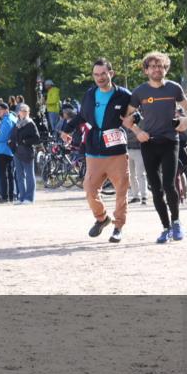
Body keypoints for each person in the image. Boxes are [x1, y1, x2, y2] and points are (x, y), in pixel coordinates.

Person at [122, 52, 187, 243]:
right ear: (146, 70)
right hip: (149, 143)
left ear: (166, 69)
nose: (157, 69)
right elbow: (126, 118)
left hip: (170, 141)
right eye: (153, 66)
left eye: (160, 66)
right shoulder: (139, 92)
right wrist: (137, 131)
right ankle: (166, 228)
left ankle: (176, 222)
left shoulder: (174, 88)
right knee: (156, 188)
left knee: (169, 185)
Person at [60, 59, 133, 241]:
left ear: (111, 73)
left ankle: (118, 227)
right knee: (90, 190)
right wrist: (66, 130)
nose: (100, 78)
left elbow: (136, 114)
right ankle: (102, 218)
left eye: (103, 74)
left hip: (116, 152)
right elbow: (82, 116)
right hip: (94, 150)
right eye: (96, 75)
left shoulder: (124, 95)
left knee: (121, 191)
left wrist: (136, 121)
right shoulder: (90, 94)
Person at [11, 103, 41, 205]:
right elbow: (13, 136)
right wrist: (12, 146)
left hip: (27, 152)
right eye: (21, 111)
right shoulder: (17, 123)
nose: (23, 113)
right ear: (18, 112)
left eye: (25, 111)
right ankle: (22, 197)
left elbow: (37, 138)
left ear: (28, 112)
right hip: (17, 152)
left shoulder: (30, 123)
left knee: (29, 175)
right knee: (19, 176)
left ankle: (30, 198)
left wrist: (25, 142)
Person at [125, 124, 148, 205]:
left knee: (140, 174)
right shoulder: (124, 123)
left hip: (139, 150)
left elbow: (140, 137)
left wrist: (131, 137)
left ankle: (144, 196)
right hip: (127, 150)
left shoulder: (140, 121)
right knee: (131, 175)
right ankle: (136, 196)